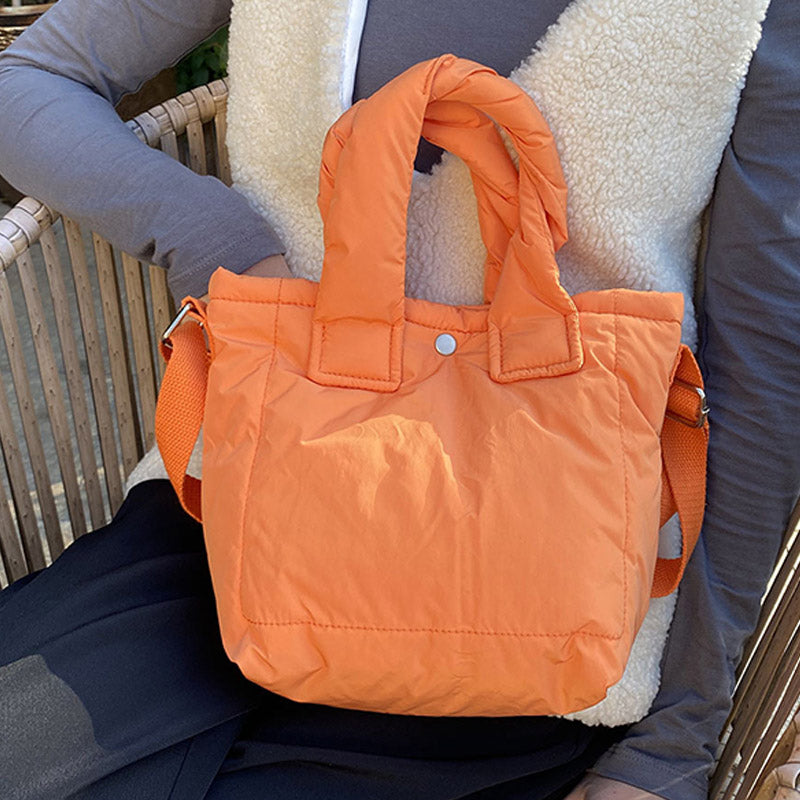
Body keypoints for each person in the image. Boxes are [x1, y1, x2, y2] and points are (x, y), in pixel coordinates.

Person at [0, 0, 797, 798]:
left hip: (536, 605)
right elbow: (26, 82)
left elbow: (760, 368)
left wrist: (671, 745)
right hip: (238, 514)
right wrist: (220, 243)